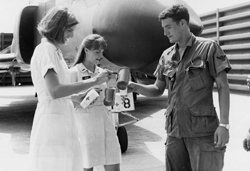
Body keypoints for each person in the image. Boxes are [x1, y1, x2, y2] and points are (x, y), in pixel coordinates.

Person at [127, 4, 231, 171]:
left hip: (202, 132)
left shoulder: (208, 48)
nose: (165, 32)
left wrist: (224, 125)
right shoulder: (166, 55)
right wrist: (134, 87)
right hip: (175, 133)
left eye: (168, 27)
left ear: (183, 23)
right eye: (163, 28)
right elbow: (157, 89)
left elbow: (223, 86)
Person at [29, 7, 111, 171]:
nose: (72, 35)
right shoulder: (46, 50)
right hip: (52, 121)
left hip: (61, 117)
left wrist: (75, 97)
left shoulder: (53, 50)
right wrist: (94, 81)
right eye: (69, 30)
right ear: (58, 28)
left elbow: (55, 91)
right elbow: (55, 91)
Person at [69, 34, 121, 171]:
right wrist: (80, 97)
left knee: (113, 160)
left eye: (102, 52)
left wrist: (110, 94)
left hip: (105, 119)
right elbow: (64, 99)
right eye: (97, 51)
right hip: (85, 122)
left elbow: (108, 102)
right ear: (86, 50)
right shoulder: (73, 73)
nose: (100, 55)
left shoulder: (103, 72)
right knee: (87, 164)